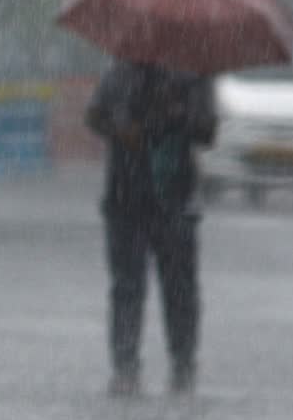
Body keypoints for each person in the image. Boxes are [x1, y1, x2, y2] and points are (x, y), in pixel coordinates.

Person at [85, 59, 217, 397]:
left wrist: (176, 114)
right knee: (127, 287)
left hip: (174, 200)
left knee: (179, 290)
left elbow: (208, 130)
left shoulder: (194, 76)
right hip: (125, 199)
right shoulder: (121, 72)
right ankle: (125, 366)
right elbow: (94, 116)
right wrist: (123, 127)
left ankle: (183, 365)